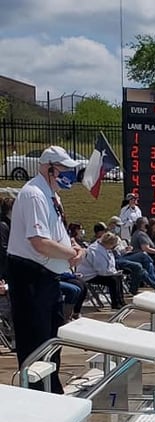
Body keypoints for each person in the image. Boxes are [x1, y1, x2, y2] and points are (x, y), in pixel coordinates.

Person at [6, 145, 85, 392]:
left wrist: (75, 246)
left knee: (52, 338)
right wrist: (71, 254)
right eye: (64, 170)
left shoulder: (52, 195)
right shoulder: (34, 194)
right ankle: (38, 394)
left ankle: (52, 387)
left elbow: (57, 232)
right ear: (49, 167)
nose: (69, 176)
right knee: (35, 341)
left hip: (48, 278)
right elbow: (39, 242)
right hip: (30, 277)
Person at [106, 217, 155, 292]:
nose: (119, 228)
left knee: (146, 261)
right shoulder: (106, 237)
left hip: (125, 255)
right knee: (144, 259)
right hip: (115, 259)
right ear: (111, 225)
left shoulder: (117, 236)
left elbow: (119, 249)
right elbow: (108, 250)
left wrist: (125, 249)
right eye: (117, 226)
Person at [76, 231, 126, 309]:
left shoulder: (105, 249)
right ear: (109, 244)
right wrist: (112, 273)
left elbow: (109, 264)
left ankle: (121, 301)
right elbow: (100, 269)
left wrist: (114, 272)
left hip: (98, 272)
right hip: (89, 275)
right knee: (113, 281)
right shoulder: (95, 250)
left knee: (119, 277)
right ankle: (115, 303)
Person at [131, 217, 155, 285]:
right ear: (143, 225)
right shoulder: (141, 234)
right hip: (142, 258)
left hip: (142, 256)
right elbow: (145, 248)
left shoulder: (139, 233)